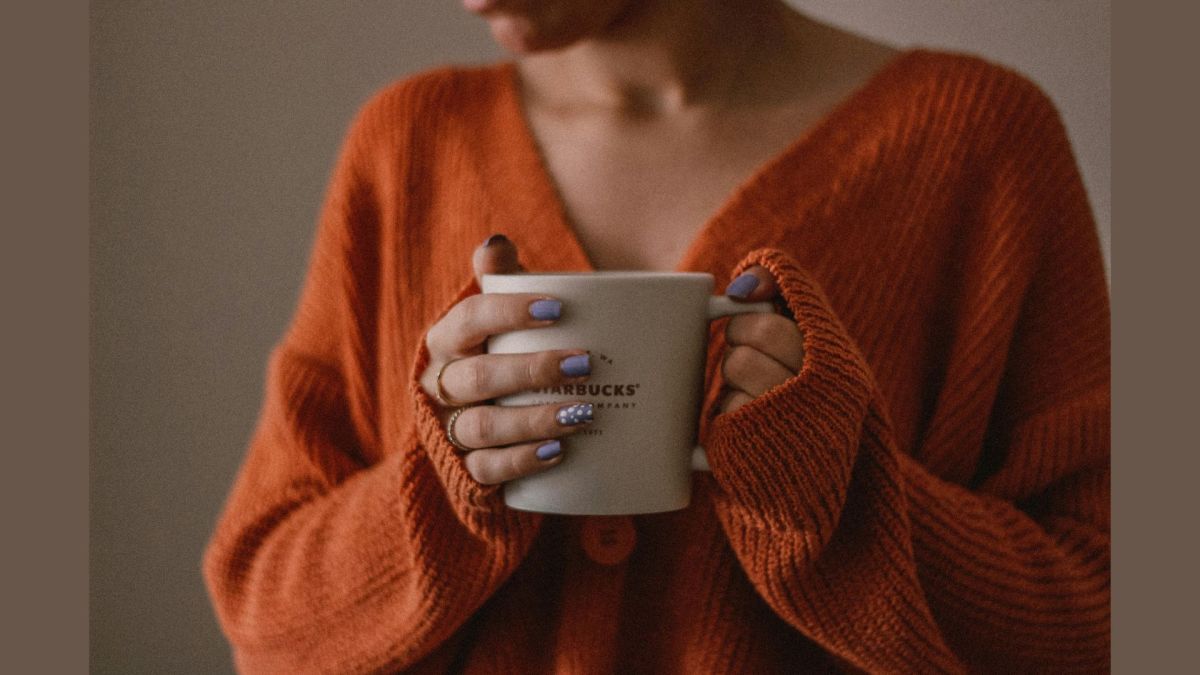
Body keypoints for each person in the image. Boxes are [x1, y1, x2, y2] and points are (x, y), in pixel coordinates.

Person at [203, 1, 1110, 672]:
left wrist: (842, 500)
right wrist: (443, 497)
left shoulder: (979, 148)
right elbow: (262, 606)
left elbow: (1102, 613)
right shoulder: (407, 148)